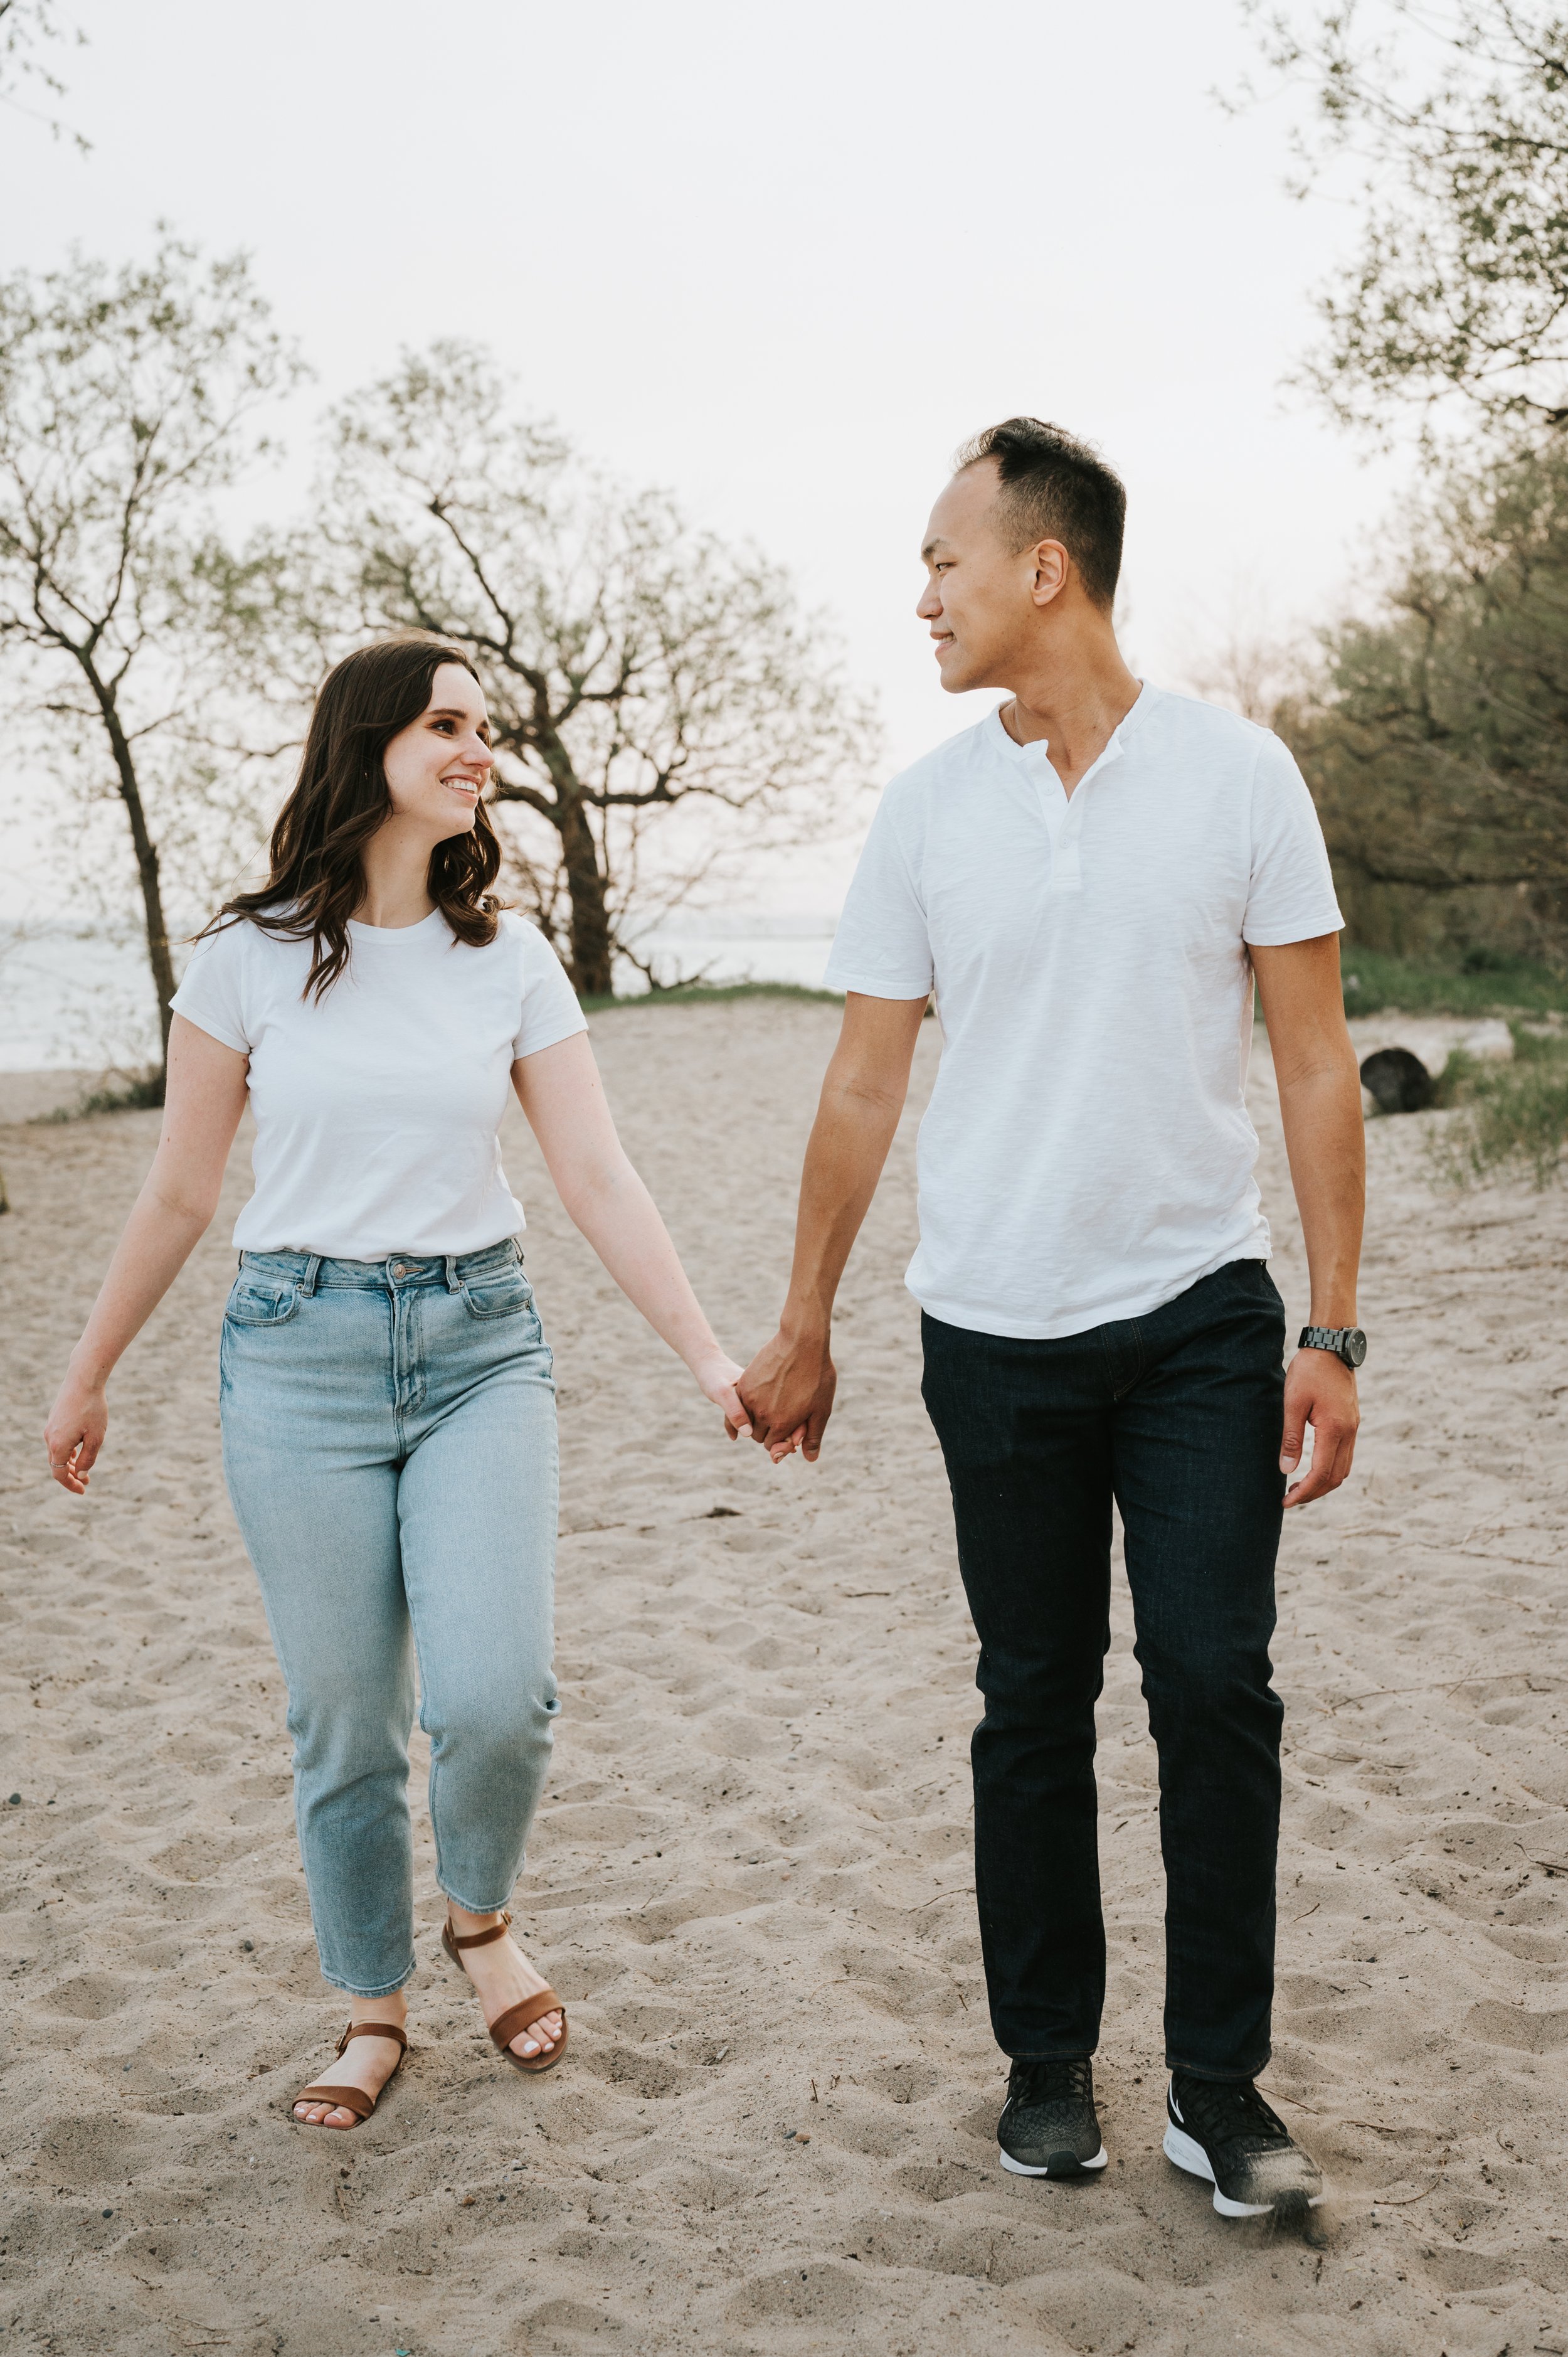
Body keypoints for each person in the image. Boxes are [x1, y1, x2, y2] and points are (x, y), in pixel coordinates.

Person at [739, 420, 1365, 2221]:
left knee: (1210, 1680)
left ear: (1045, 566)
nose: (917, 592)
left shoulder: (1239, 777)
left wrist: (1333, 1328)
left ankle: (1217, 2086)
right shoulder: (926, 808)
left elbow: (1316, 1064)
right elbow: (863, 1089)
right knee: (1030, 1696)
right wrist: (806, 1323)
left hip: (1196, 1316)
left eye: (942, 557)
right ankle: (1042, 2065)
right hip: (990, 1328)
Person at [44, 634, 751, 2132]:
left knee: (498, 1695)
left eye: (484, 729)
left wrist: (703, 1353)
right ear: (367, 742)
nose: (476, 749)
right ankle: (372, 2005)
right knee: (345, 1717)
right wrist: (89, 1369)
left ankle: (481, 1921)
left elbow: (594, 1171)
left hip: (479, 1345)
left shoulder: (510, 956)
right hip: (293, 1356)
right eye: (446, 723)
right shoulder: (243, 958)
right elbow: (179, 1193)